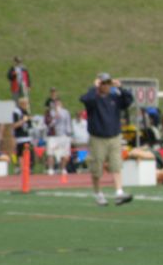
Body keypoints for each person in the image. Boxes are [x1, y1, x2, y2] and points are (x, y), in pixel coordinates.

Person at [80, 73, 134, 206]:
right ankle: (98, 193)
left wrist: (120, 87)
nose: (106, 86)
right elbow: (85, 99)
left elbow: (129, 100)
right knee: (97, 168)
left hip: (114, 136)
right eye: (103, 83)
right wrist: (94, 88)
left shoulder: (115, 98)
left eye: (107, 83)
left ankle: (119, 192)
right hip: (98, 138)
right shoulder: (94, 98)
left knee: (116, 165)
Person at [44, 98, 72, 175]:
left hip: (63, 135)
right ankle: (51, 169)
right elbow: (49, 124)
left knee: (64, 153)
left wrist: (69, 134)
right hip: (53, 135)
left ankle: (63, 169)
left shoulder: (66, 112)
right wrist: (55, 117)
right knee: (51, 153)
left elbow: (68, 123)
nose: (57, 105)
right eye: (56, 104)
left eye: (59, 104)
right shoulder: (50, 113)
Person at [12, 97, 34, 173]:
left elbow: (30, 125)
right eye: (25, 103)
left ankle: (27, 168)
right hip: (20, 137)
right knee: (21, 154)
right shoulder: (17, 112)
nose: (26, 105)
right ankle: (22, 169)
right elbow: (14, 125)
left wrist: (30, 119)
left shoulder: (26, 112)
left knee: (29, 154)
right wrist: (23, 120)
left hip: (28, 137)